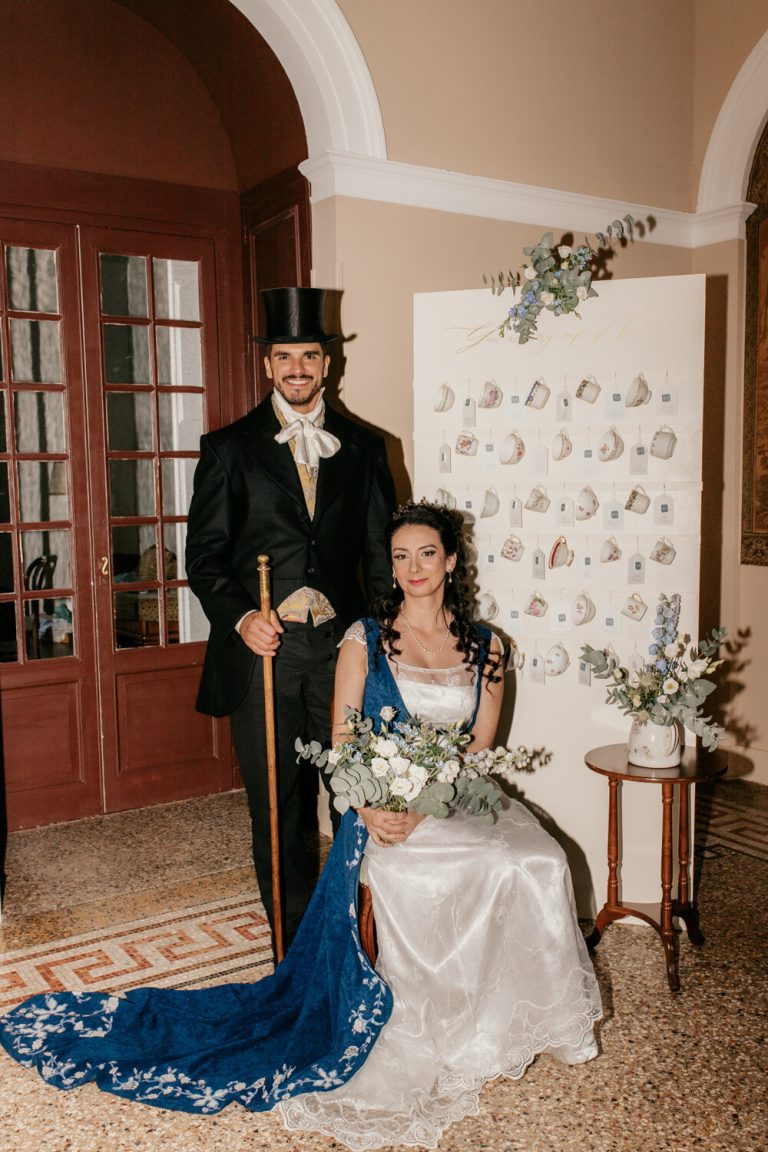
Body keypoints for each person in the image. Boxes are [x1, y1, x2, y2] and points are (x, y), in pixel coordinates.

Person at [0, 500, 601, 1151]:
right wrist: (371, 805)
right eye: (401, 556)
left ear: (451, 560)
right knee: (419, 872)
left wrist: (434, 793)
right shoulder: (364, 639)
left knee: (535, 860)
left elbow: (479, 744)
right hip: (381, 804)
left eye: (427, 553)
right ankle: (420, 1023)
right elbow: (344, 742)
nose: (413, 568)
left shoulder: (487, 646)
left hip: (460, 796)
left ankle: (501, 1021)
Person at [185, 286, 395, 946]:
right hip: (264, 658)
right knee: (276, 808)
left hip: (343, 654)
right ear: (268, 365)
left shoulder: (364, 448)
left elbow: (379, 557)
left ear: (327, 364)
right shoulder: (228, 449)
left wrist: (385, 638)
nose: (297, 368)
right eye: (285, 356)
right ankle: (291, 950)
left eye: (309, 355)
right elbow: (205, 557)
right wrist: (242, 616)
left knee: (354, 795)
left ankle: (351, 935)